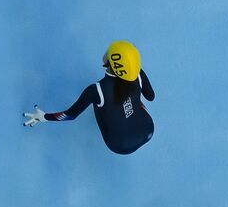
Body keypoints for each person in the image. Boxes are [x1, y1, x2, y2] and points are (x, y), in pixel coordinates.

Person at [23, 41, 155, 155]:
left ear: (113, 64)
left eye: (109, 52)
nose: (107, 51)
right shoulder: (137, 73)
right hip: (148, 130)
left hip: (119, 145)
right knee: (132, 99)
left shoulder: (97, 90)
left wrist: (43, 117)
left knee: (101, 103)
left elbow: (70, 115)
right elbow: (150, 96)